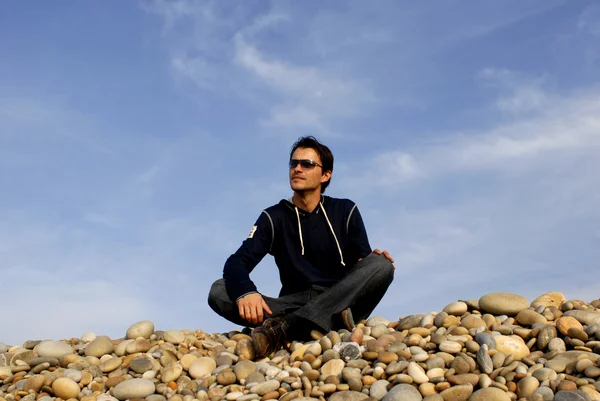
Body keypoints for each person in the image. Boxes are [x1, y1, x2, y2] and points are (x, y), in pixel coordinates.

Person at [208, 136, 395, 358]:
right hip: (293, 303)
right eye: (293, 163)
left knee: (382, 264)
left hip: (339, 298)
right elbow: (237, 262)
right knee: (219, 290)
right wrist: (246, 293)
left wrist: (371, 263)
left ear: (325, 175)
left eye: (307, 164)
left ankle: (284, 330)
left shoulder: (345, 210)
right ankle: (310, 325)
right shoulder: (273, 217)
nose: (297, 169)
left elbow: (361, 265)